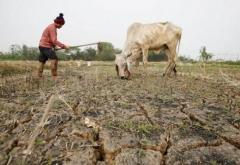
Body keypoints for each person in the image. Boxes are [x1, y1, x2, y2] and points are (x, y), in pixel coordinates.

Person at [38, 13, 69, 80]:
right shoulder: (53, 28)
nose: (61, 27)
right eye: (61, 25)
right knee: (54, 59)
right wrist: (63, 46)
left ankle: (39, 76)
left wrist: (55, 47)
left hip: (42, 46)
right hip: (46, 46)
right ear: (58, 24)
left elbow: (51, 40)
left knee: (42, 61)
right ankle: (54, 76)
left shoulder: (51, 26)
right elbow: (54, 40)